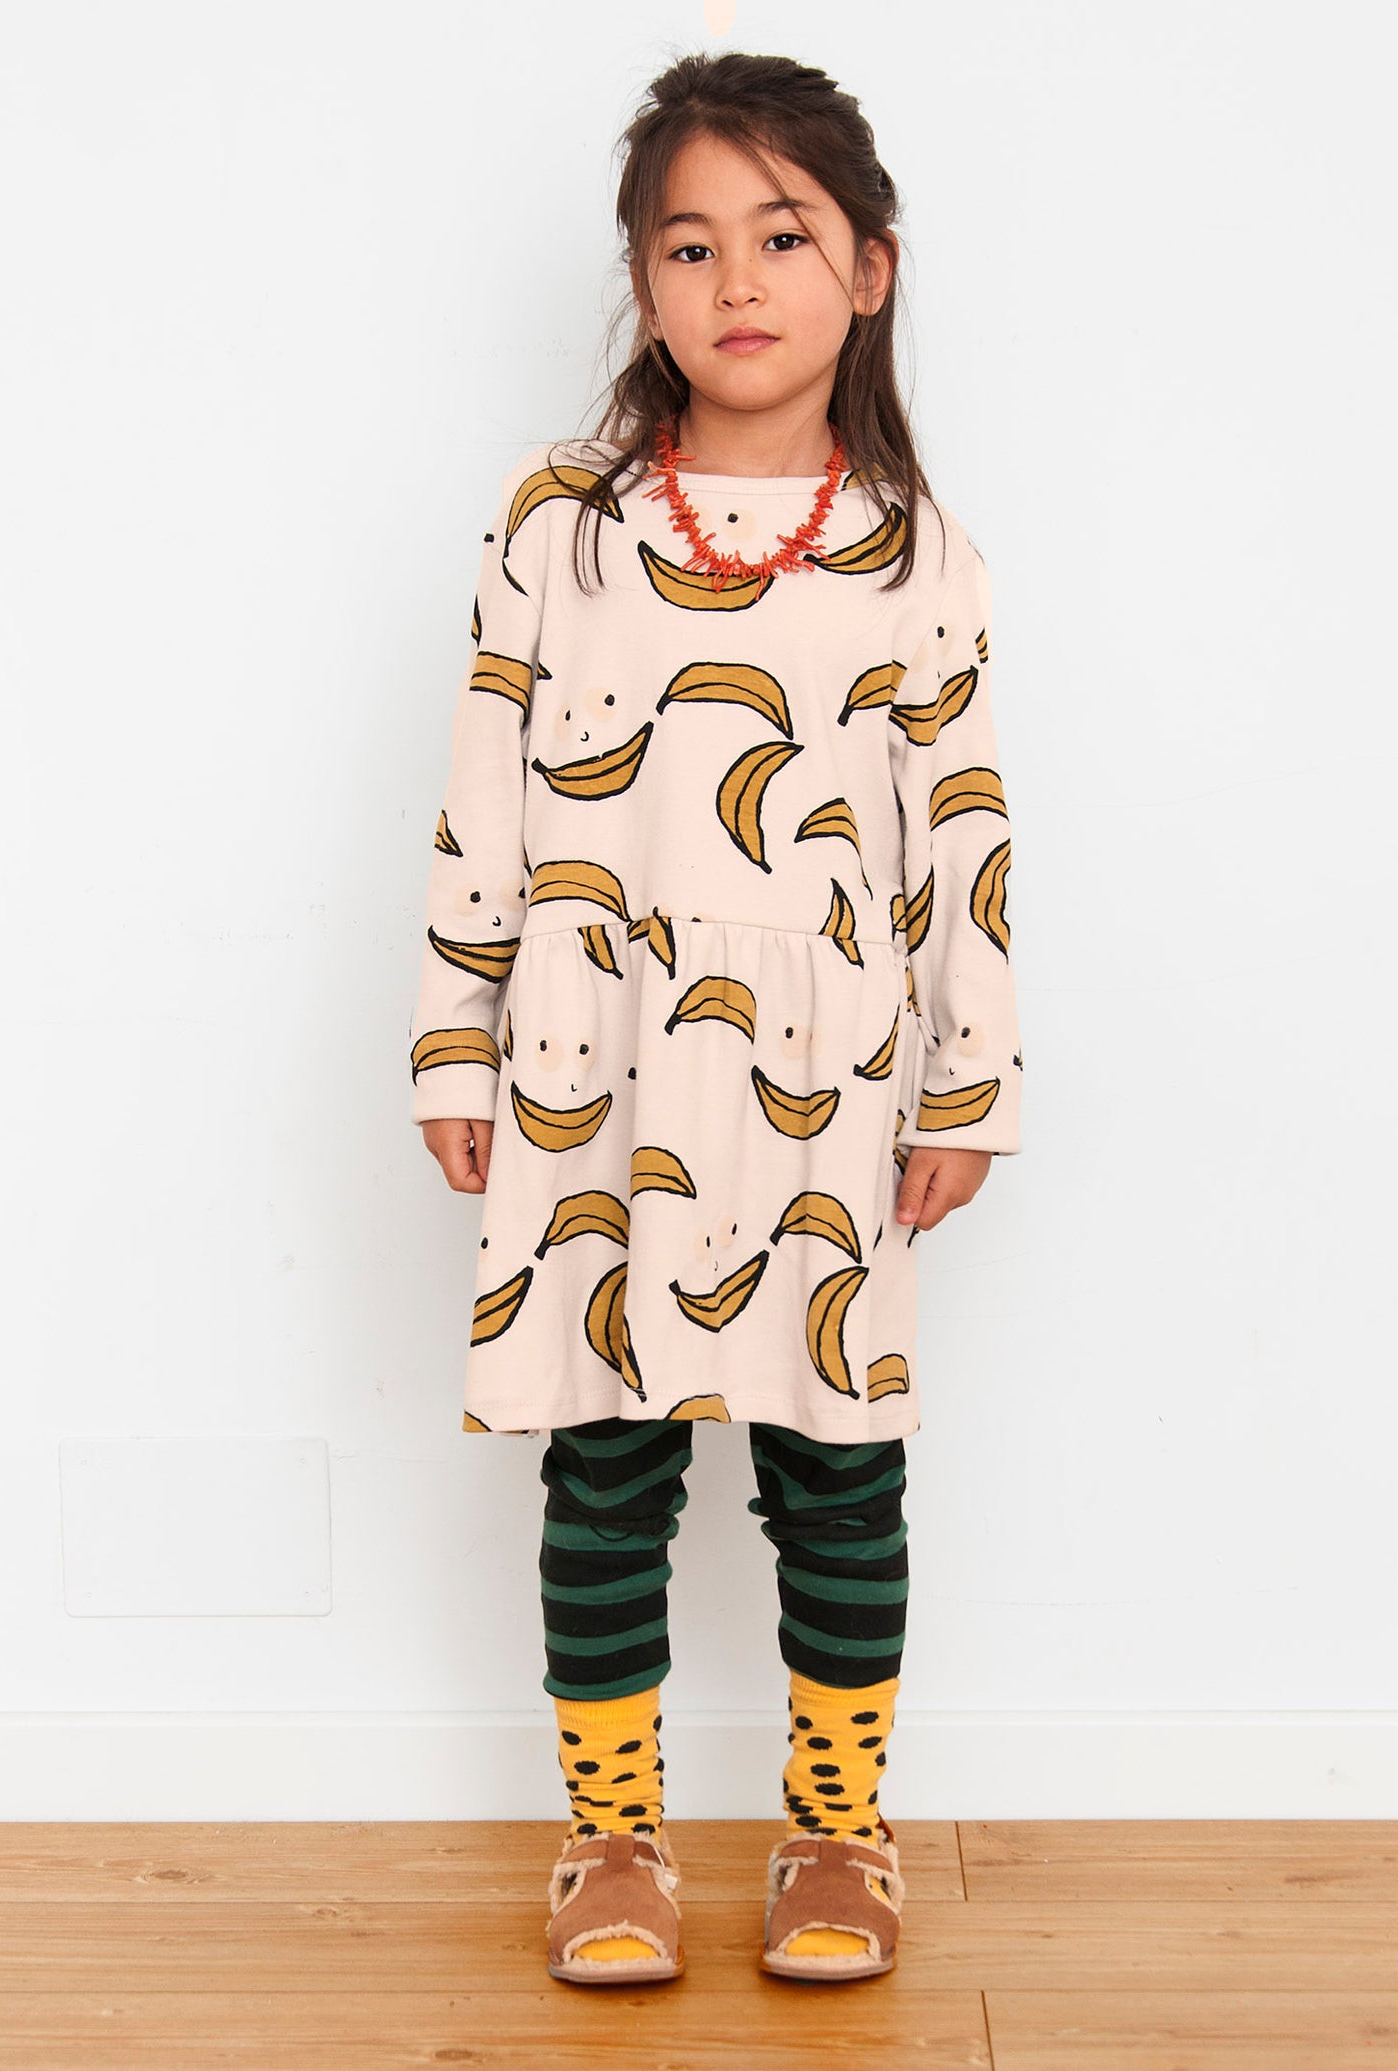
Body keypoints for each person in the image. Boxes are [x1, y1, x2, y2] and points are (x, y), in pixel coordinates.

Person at [406, 50, 1024, 1985]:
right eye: (687, 245)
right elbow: (485, 793)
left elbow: (963, 831)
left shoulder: (917, 552)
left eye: (781, 235)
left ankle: (838, 1835)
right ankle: (612, 1846)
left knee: (835, 1464)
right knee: (604, 1459)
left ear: (869, 269)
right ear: (640, 281)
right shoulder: (558, 527)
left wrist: (968, 1084)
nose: (735, 280)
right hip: (591, 1065)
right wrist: (453, 1036)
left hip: (829, 1081)